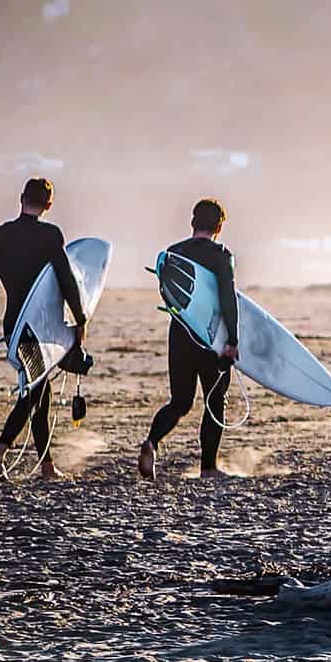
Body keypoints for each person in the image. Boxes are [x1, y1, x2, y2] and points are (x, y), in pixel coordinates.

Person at [0, 177, 86, 480]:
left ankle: (46, 466)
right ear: (48, 205)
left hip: (15, 324)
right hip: (43, 324)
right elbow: (67, 279)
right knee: (33, 393)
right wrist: (80, 318)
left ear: (21, 198)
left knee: (38, 392)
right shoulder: (50, 236)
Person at [138, 198, 240, 481]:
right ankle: (208, 467)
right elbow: (227, 299)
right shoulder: (221, 255)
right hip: (210, 339)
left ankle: (151, 442)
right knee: (214, 401)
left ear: (193, 221)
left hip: (180, 336)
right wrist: (232, 340)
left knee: (180, 402)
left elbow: (169, 296)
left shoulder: (174, 253)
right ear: (219, 226)